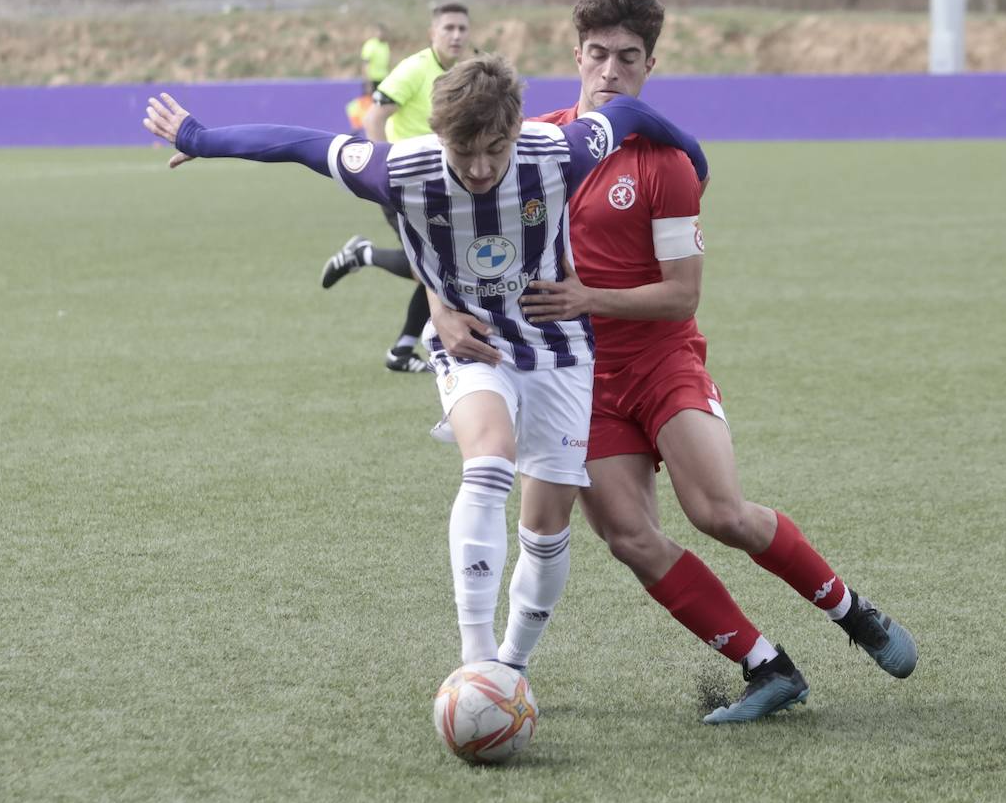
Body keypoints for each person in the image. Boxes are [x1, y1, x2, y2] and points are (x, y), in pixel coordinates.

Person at [430, 0, 917, 725]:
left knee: (718, 511)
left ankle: (853, 612)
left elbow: (682, 295)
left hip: (662, 363)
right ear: (576, 56)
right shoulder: (537, 148)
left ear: (650, 66)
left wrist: (589, 298)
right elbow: (448, 238)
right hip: (577, 378)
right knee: (629, 536)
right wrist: (442, 306)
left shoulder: (666, 165)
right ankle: (766, 666)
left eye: (628, 58)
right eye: (598, 55)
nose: (611, 71)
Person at [141, 53, 710, 675]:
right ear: (439, 136)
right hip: (471, 342)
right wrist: (202, 139)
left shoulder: (557, 151)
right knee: (489, 459)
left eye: (496, 148)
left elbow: (625, 111)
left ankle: (512, 668)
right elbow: (300, 144)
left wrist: (691, 153)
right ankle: (476, 661)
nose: (481, 167)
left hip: (558, 350)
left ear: (516, 131)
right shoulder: (399, 169)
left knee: (546, 534)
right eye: (464, 151)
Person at [326, 3, 472, 374]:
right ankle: (364, 255)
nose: (456, 35)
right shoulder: (414, 68)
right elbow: (374, 115)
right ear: (432, 33)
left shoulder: (460, 71)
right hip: (402, 182)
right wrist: (380, 171)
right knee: (435, 269)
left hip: (439, 186)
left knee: (443, 267)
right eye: (448, 28)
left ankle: (402, 350)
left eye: (462, 29)